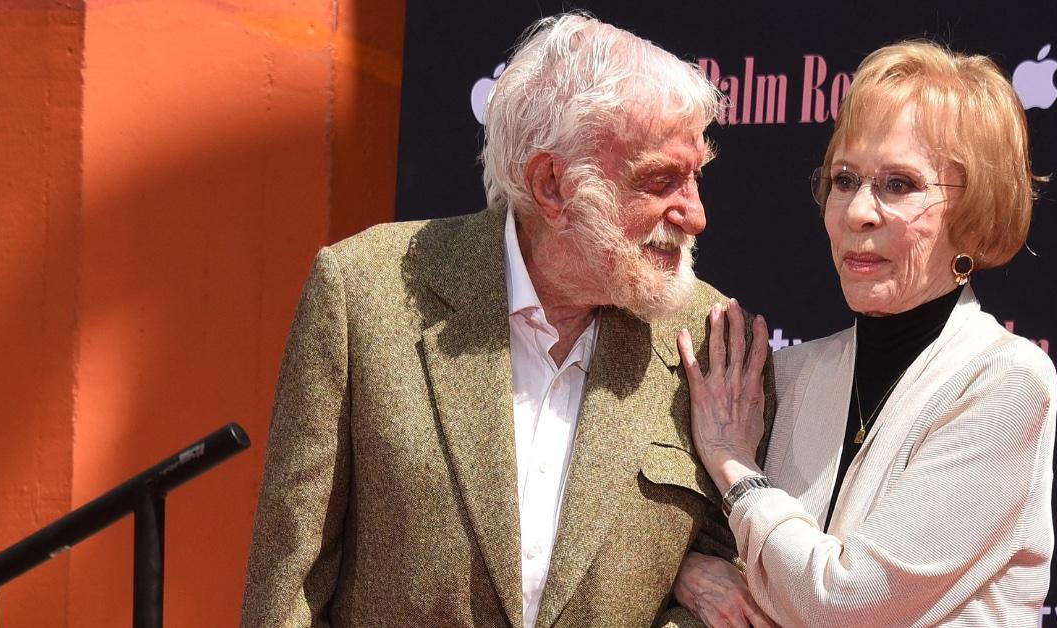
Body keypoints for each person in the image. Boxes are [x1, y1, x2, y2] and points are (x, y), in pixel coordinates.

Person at [240, 13, 775, 628]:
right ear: (552, 184)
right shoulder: (363, 293)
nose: (695, 213)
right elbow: (288, 587)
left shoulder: (714, 341)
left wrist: (691, 580)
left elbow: (722, 569)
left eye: (696, 176)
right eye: (660, 180)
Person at [672, 40, 1056, 627]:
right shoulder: (787, 375)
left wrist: (733, 466)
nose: (857, 212)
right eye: (845, 180)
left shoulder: (1006, 381)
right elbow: (688, 547)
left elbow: (846, 605)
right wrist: (688, 570)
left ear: (973, 208)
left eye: (898, 184)